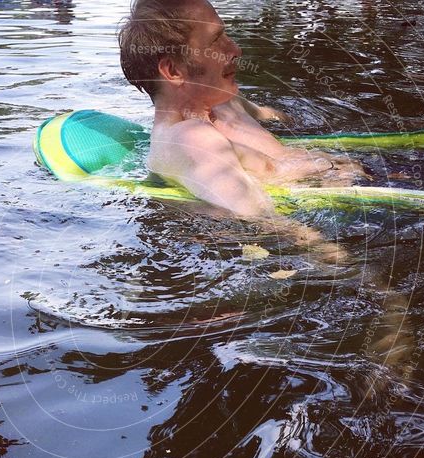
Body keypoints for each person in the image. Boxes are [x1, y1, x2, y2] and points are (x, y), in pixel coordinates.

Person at [118, 0, 366, 262]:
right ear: (173, 71)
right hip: (349, 207)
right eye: (215, 41)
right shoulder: (191, 139)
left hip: (352, 178)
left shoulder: (223, 101)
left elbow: (272, 116)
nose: (236, 49)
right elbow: (261, 219)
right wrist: (362, 274)